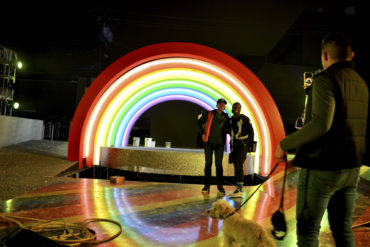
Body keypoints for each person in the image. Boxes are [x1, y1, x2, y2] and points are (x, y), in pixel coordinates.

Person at [275, 32, 368, 247]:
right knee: (343, 229)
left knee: (308, 231)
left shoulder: (325, 80)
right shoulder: (361, 83)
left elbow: (320, 124)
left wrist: (284, 144)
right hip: (351, 168)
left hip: (322, 169)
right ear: (351, 55)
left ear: (325, 55)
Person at [197, 98, 230, 195]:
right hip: (209, 143)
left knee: (219, 165)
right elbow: (198, 123)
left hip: (220, 144)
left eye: (224, 105)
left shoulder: (226, 117)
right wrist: (203, 133)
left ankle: (220, 187)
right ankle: (206, 186)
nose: (222, 106)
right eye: (220, 104)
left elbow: (229, 129)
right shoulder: (209, 113)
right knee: (208, 164)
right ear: (217, 105)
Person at [228, 102, 254, 197]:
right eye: (235, 107)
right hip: (234, 145)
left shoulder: (245, 119)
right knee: (236, 165)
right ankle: (237, 187)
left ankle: (240, 188)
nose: (236, 108)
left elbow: (251, 132)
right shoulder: (230, 120)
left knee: (239, 164)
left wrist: (250, 145)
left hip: (243, 145)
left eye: (238, 107)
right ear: (232, 108)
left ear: (240, 109)